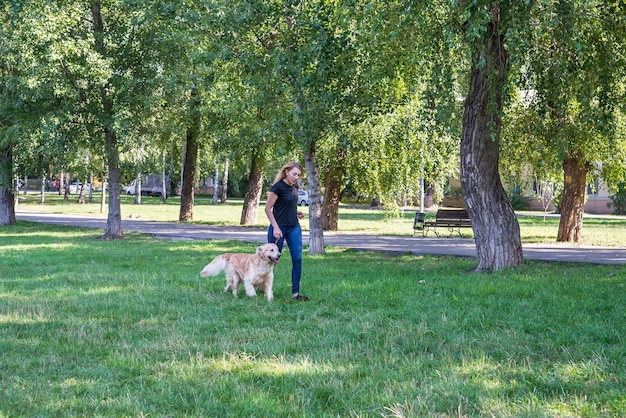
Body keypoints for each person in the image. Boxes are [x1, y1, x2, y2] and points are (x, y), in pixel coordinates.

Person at [265, 161, 309, 301]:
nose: (296, 177)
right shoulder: (277, 188)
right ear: (286, 172)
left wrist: (296, 213)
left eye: (299, 175)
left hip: (293, 227)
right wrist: (276, 227)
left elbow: (287, 206)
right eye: (294, 174)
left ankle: (296, 293)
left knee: (297, 259)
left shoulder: (295, 186)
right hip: (278, 228)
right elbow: (267, 209)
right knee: (268, 260)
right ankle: (262, 286)